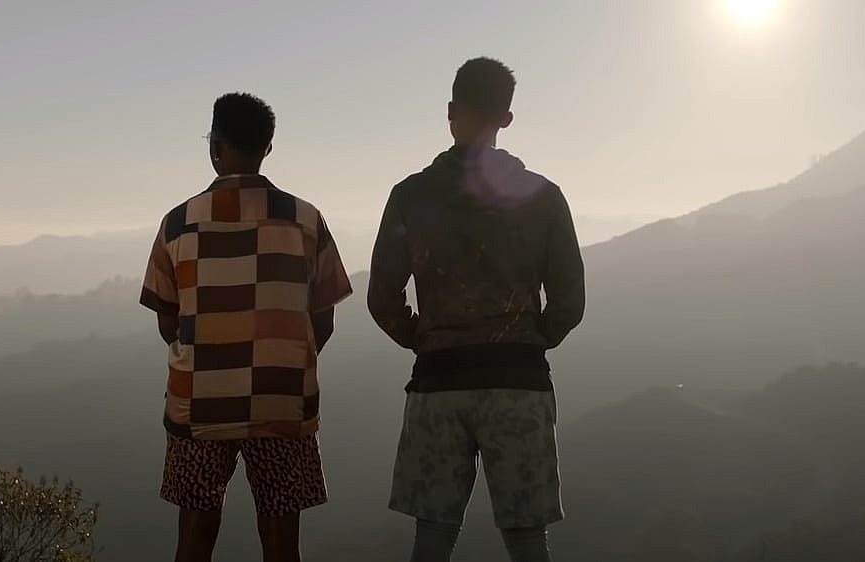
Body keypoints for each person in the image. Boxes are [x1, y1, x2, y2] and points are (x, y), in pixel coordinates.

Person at [367, 57, 586, 562]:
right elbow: (569, 300)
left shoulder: (411, 195)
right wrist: (533, 337)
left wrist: (423, 338)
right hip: (519, 383)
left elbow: (382, 298)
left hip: (439, 381)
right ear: (506, 118)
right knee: (527, 538)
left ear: (451, 111)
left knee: (433, 535)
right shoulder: (543, 197)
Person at [141, 92, 353, 562]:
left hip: (199, 404)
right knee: (281, 539)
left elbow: (167, 321)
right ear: (268, 147)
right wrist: (281, 356)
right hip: (283, 399)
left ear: (215, 146)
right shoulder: (306, 220)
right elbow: (324, 318)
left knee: (195, 533)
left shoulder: (178, 223)